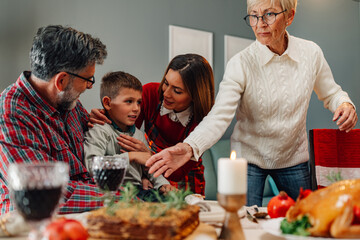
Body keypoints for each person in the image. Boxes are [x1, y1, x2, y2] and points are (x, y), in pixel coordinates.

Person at [145, 0, 358, 206]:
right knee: (243, 224)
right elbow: (219, 116)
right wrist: (188, 147)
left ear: (290, 16)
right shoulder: (240, 63)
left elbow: (332, 93)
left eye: (269, 14)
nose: (260, 24)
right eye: (254, 16)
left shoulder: (311, 53)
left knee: (306, 220)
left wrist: (344, 104)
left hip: (294, 158)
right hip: (248, 160)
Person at [0, 25, 108, 214]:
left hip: (87, 209)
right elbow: (44, 191)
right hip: (34, 222)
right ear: (61, 81)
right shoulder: (10, 114)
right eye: (88, 79)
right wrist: (119, 197)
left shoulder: (66, 100)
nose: (90, 86)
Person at [90, 54, 215, 195]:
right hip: (151, 171)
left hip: (182, 175)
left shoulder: (206, 120)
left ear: (195, 95)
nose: (166, 93)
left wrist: (148, 157)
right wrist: (143, 174)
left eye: (177, 91)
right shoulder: (150, 93)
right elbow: (126, 133)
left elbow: (175, 172)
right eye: (166, 83)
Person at [84, 71, 175, 201]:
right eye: (129, 101)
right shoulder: (99, 129)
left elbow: (148, 166)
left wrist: (163, 184)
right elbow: (91, 166)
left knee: (174, 200)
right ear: (108, 103)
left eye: (138, 102)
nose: (136, 108)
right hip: (112, 191)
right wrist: (130, 157)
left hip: (138, 190)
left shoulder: (138, 134)